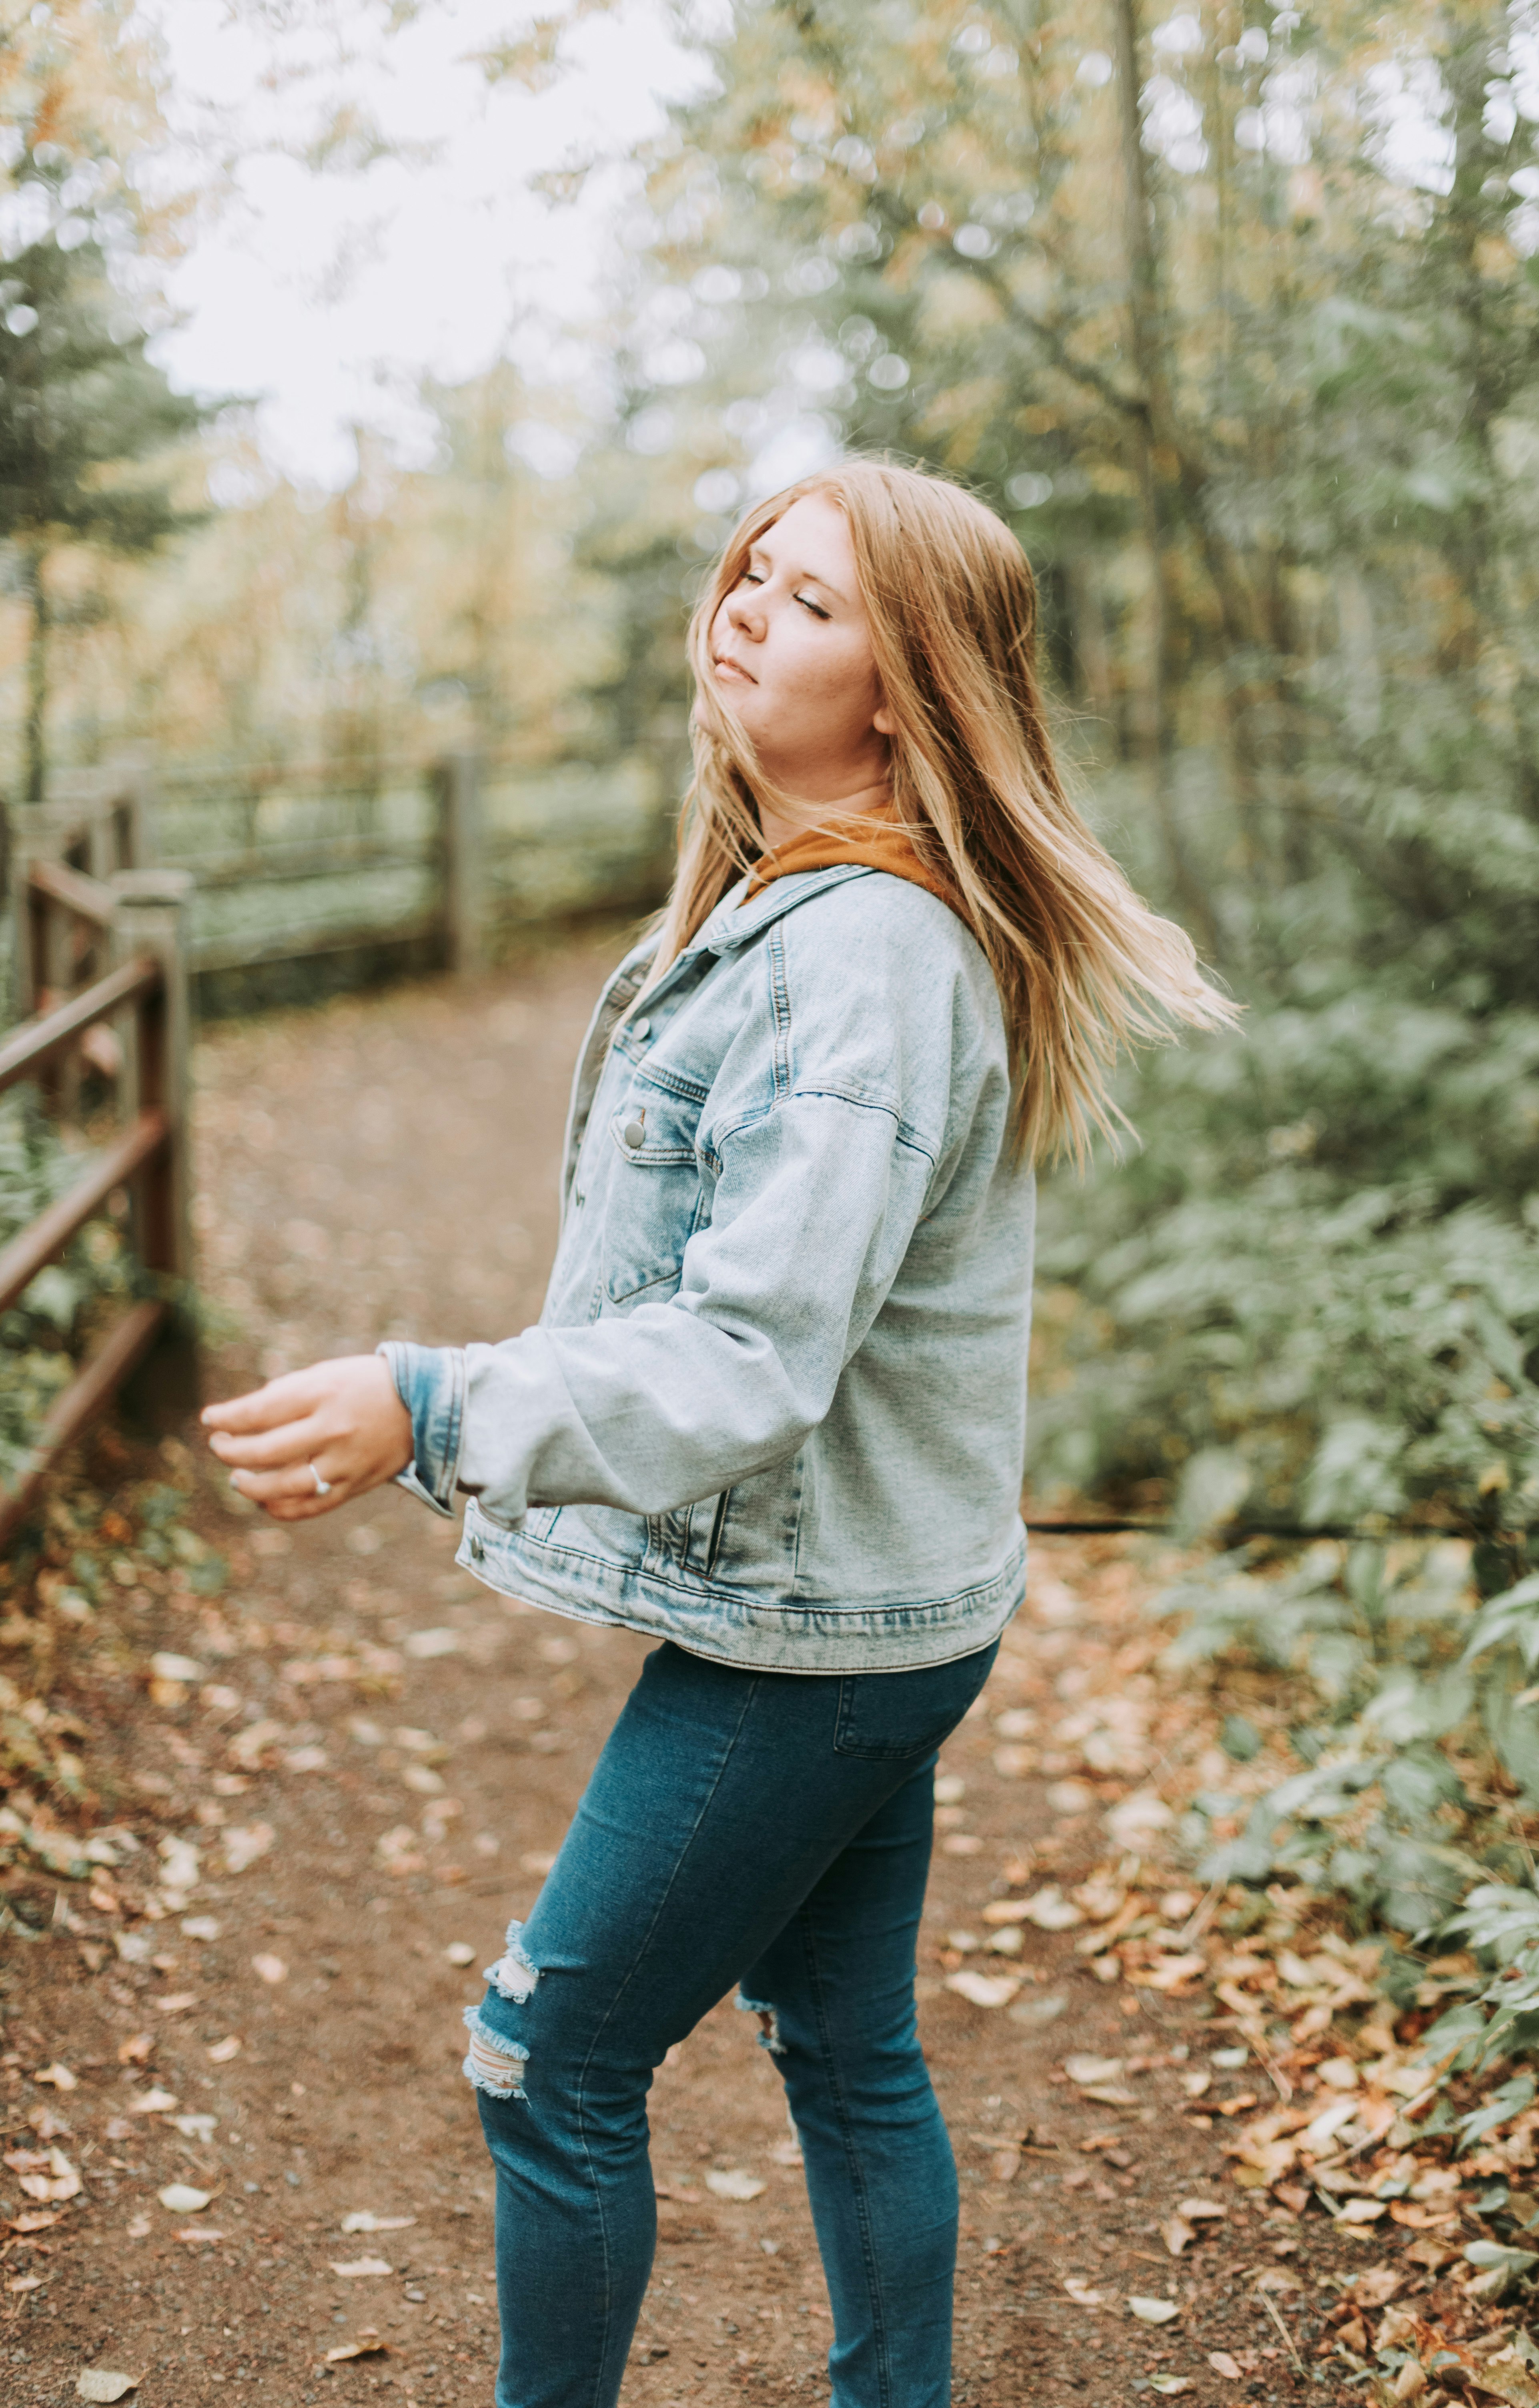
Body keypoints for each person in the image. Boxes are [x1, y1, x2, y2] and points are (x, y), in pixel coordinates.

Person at [201, 458, 1234, 2408]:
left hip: (812, 1637)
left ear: (913, 686)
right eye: (749, 570)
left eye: (818, 599)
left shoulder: (857, 958)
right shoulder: (809, 907)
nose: (748, 607)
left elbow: (751, 1353)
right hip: (881, 1608)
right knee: (849, 2049)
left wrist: (430, 1402)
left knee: (546, 2054)